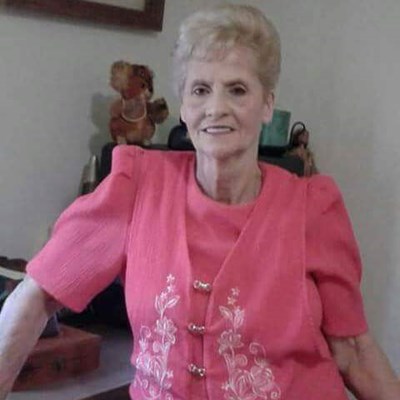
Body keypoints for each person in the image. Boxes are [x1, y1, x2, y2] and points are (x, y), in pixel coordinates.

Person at [0, 4, 399, 400]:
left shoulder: (312, 208)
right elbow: (36, 295)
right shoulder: (135, 186)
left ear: (267, 104)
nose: (216, 108)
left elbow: (353, 351)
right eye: (200, 90)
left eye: (237, 89)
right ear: (184, 107)